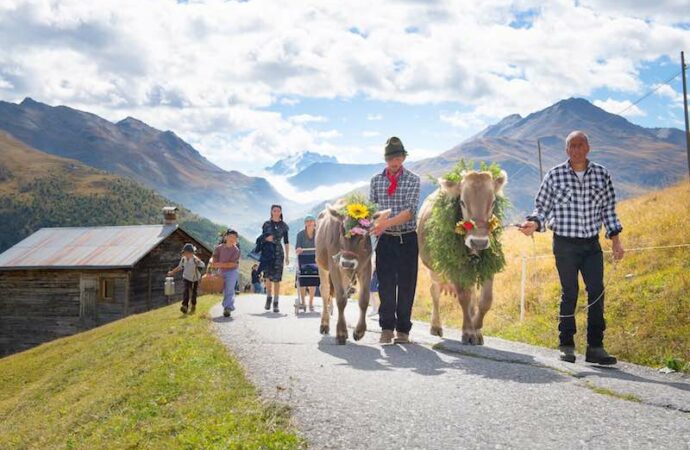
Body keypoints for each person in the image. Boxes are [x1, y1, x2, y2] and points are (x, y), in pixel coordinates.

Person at [519, 130, 624, 365]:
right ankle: (566, 344)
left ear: (588, 147)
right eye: (571, 146)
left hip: (591, 245)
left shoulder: (601, 174)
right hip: (565, 244)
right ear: (566, 150)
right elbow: (542, 207)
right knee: (570, 292)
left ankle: (595, 347)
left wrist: (616, 240)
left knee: (597, 291)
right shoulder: (555, 175)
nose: (576, 149)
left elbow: (609, 209)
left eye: (580, 145)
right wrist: (533, 224)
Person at [369, 136, 421, 344]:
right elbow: (372, 209)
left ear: (403, 158)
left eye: (398, 157)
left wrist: (384, 223)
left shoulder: (413, 180)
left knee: (407, 285)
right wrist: (373, 224)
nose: (395, 162)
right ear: (386, 159)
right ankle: (387, 328)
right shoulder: (376, 181)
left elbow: (410, 212)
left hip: (407, 238)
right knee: (386, 285)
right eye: (391, 158)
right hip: (386, 241)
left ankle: (403, 330)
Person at [262, 205, 290, 313]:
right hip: (268, 251)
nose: (276, 212)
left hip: (279, 253)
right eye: (274, 210)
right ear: (271, 212)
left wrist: (287, 256)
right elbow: (262, 237)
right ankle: (269, 298)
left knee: (277, 278)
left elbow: (286, 242)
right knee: (268, 277)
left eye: (278, 210)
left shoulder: (284, 226)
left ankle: (276, 302)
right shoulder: (266, 224)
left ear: (281, 212)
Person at [167, 243, 205, 314]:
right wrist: (172, 272)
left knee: (194, 293)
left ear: (192, 253)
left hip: (195, 278)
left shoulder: (195, 259)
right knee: (186, 291)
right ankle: (185, 306)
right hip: (186, 277)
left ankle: (193, 304)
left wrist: (198, 262)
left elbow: (203, 265)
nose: (187, 254)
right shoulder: (183, 259)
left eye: (188, 253)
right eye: (185, 253)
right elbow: (180, 267)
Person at [211, 229, 241, 318]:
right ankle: (227, 305)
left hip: (232, 271)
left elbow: (232, 264)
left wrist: (218, 264)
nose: (232, 239)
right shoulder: (219, 248)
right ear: (226, 237)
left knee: (230, 289)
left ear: (236, 240)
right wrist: (214, 264)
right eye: (230, 237)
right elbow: (214, 259)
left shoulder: (236, 250)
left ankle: (227, 308)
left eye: (234, 238)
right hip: (221, 271)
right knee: (224, 290)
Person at [295, 214, 317, 311]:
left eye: (311, 221)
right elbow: (297, 247)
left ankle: (311, 302)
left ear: (314, 222)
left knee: (313, 280)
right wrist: (299, 249)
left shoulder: (318, 233)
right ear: (305, 223)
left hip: (315, 258)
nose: (309, 223)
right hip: (303, 258)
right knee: (303, 280)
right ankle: (303, 301)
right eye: (307, 221)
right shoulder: (300, 234)